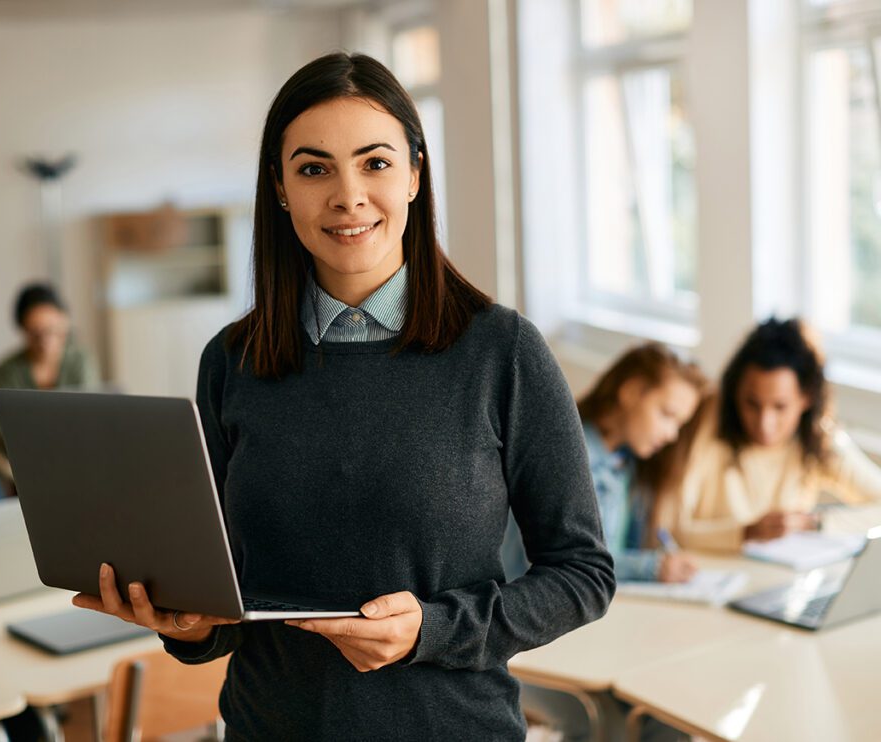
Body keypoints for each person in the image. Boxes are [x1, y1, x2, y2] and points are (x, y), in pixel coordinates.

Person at [72, 52, 615, 739]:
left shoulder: (502, 352)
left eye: (375, 163)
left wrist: (433, 629)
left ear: (415, 174)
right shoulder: (232, 362)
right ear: (279, 187)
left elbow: (582, 573)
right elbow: (225, 596)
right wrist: (186, 625)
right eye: (314, 169)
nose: (348, 196)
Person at [504, 343, 706, 742]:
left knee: (676, 703)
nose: (671, 434)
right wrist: (651, 567)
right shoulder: (562, 455)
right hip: (541, 635)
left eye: (680, 423)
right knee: (640, 712)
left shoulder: (625, 465)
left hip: (601, 628)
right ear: (630, 391)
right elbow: (560, 565)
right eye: (667, 415)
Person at [676, 317, 881, 551]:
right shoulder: (709, 417)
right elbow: (670, 529)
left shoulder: (818, 438)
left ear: (807, 398)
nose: (765, 424)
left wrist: (813, 523)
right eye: (752, 404)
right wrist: (744, 533)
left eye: (780, 407)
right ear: (735, 393)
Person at [0, 282, 99, 393]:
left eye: (51, 330)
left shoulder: (80, 361)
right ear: (23, 328)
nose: (45, 340)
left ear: (64, 324)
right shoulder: (6, 372)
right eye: (35, 333)